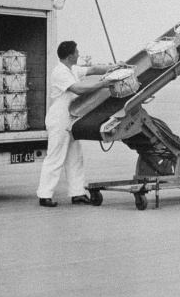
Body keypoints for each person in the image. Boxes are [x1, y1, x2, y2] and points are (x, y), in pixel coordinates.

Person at [36, 40, 120, 207]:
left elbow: (94, 69)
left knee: (75, 157)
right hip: (60, 118)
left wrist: (116, 67)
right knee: (55, 157)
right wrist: (102, 84)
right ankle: (44, 195)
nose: (79, 54)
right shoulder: (60, 72)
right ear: (70, 56)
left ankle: (77, 193)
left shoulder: (72, 69)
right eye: (76, 52)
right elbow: (78, 89)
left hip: (71, 117)